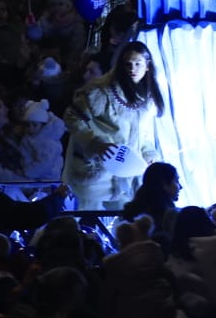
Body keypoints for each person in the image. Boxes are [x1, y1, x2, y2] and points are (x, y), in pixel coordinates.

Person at [62, 41, 165, 212]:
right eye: (128, 64)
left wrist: (148, 155)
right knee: (89, 223)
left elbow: (143, 134)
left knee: (125, 225)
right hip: (95, 173)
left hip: (127, 175)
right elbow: (72, 117)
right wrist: (95, 144)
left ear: (147, 66)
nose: (132, 68)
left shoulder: (147, 97)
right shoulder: (100, 91)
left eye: (138, 64)